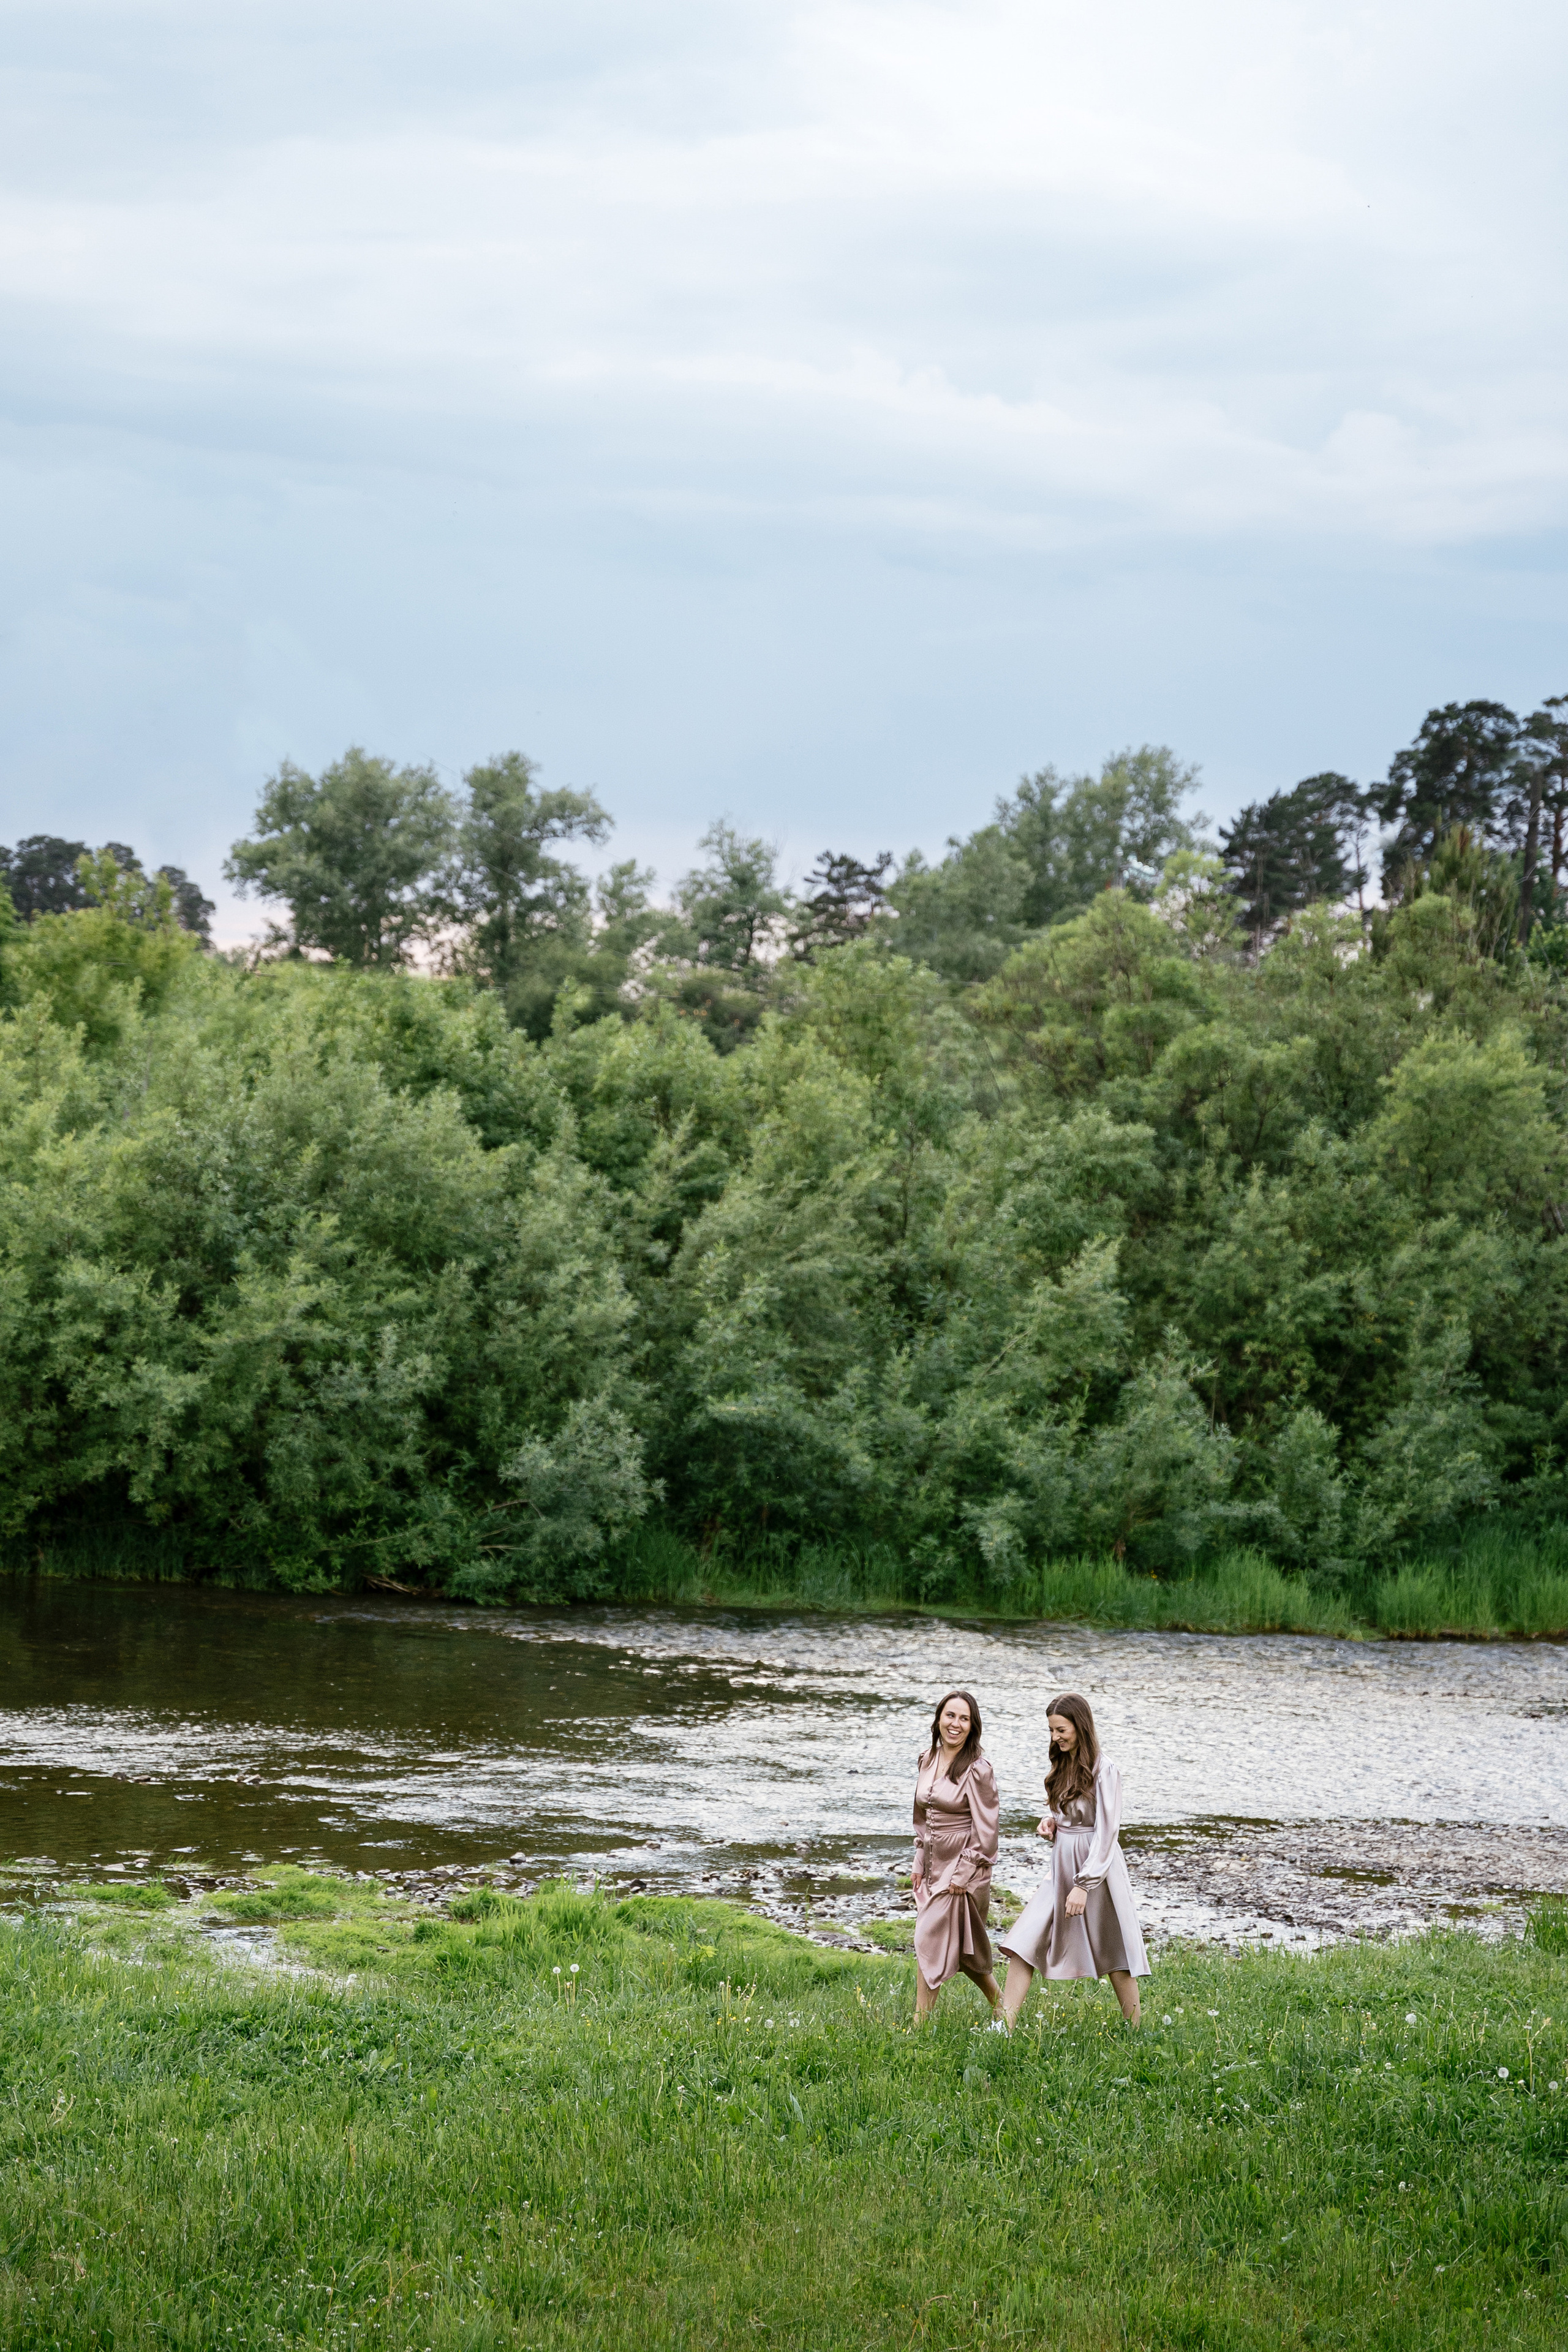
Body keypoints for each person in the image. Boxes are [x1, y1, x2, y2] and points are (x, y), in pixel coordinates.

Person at [996, 1691, 1147, 2029]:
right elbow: (1070, 1815)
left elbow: (1107, 1832)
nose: (1055, 1737)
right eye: (1051, 1730)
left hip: (1095, 1869)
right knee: (1023, 1940)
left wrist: (1084, 1884)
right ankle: (1003, 2027)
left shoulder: (1105, 1770)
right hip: (1060, 1867)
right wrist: (1053, 1822)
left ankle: (1136, 2031)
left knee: (1114, 1950)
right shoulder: (1062, 1763)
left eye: (1061, 1730)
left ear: (1080, 1726)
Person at [911, 1689, 1001, 2022]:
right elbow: (922, 1818)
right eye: (951, 1716)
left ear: (972, 1725)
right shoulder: (927, 1759)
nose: (956, 1724)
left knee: (928, 1937)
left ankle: (919, 2025)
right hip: (934, 1863)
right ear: (938, 1719)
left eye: (964, 1718)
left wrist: (964, 1873)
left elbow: (987, 1831)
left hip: (965, 1866)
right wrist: (920, 1860)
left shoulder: (978, 1769)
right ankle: (1003, 2004)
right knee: (963, 1952)